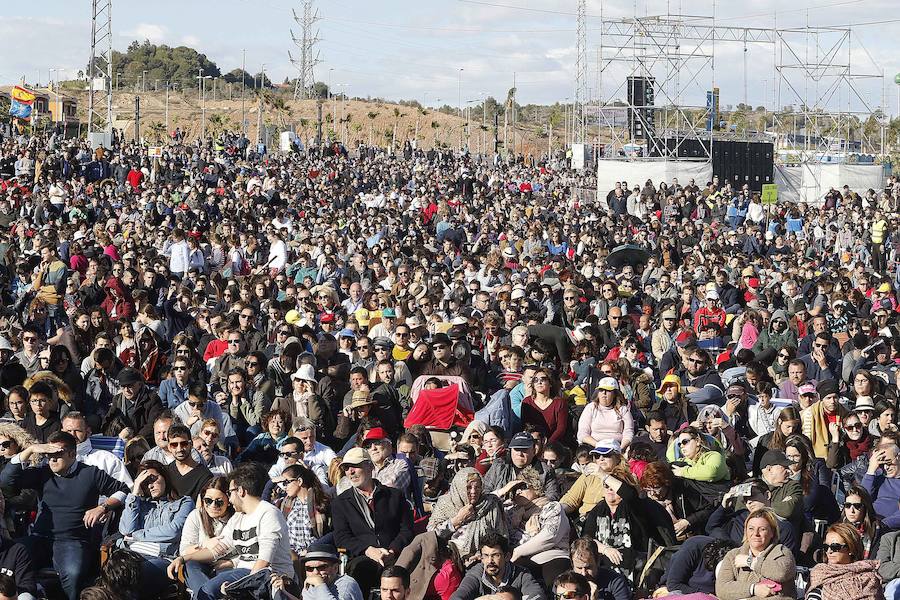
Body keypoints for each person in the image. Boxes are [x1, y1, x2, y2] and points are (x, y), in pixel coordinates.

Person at [0, 431, 130, 600]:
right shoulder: (42, 473)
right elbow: (6, 482)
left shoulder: (90, 474)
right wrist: (31, 449)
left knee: (73, 574)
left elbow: (124, 490)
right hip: (40, 537)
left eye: (57, 454)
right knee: (9, 559)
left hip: (72, 540)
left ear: (72, 454)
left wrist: (103, 507)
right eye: (48, 454)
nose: (52, 459)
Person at [188, 462, 295, 600]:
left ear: (240, 491)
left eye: (230, 492)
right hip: (242, 572)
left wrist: (240, 588)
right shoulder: (238, 517)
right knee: (193, 568)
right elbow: (220, 548)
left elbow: (263, 562)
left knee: (208, 590)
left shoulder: (268, 513)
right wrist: (184, 558)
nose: (230, 499)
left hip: (269, 576)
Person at [331, 447, 414, 597]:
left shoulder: (394, 496)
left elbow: (407, 530)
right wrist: (369, 550)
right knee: (359, 568)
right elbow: (341, 538)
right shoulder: (340, 503)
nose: (350, 472)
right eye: (346, 468)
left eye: (355, 466)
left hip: (396, 554)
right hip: (363, 557)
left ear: (369, 467)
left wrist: (392, 551)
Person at [117, 459, 194, 599]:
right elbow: (126, 530)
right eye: (145, 483)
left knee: (136, 575)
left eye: (153, 479)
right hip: (132, 555)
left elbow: (174, 531)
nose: (150, 486)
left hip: (163, 558)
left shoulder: (184, 502)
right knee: (115, 574)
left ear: (164, 476)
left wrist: (137, 535)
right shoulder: (140, 504)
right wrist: (134, 493)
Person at [167, 476, 235, 594]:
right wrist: (205, 545)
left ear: (228, 501)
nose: (213, 506)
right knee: (191, 566)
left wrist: (232, 562)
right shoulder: (196, 515)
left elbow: (247, 551)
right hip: (199, 564)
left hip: (226, 566)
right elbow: (184, 551)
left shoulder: (236, 519)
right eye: (208, 500)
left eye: (219, 502)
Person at [715, 508, 797, 600]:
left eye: (762, 529)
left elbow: (782, 573)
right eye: (751, 528)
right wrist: (753, 589)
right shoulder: (733, 555)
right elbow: (722, 589)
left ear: (772, 532)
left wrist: (750, 562)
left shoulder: (781, 552)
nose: (756, 533)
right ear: (746, 531)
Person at [427, 468, 507, 562]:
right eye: (468, 487)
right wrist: (457, 520)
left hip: (482, 560)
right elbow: (431, 536)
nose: (473, 492)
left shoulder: (490, 505)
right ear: (459, 488)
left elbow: (501, 537)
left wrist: (481, 555)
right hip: (446, 558)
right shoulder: (445, 503)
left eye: (477, 487)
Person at [449, 532, 546, 600]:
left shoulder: (521, 574)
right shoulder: (475, 574)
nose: (490, 561)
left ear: (507, 556)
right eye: (486, 556)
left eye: (496, 555)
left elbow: (538, 595)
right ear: (481, 558)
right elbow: (459, 595)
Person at [807, 523, 883, 600]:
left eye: (835, 547)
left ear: (850, 548)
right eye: (826, 547)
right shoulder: (819, 574)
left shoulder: (868, 579)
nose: (829, 551)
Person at [483, 432, 561, 501]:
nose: (520, 453)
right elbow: (484, 492)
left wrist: (532, 506)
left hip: (533, 512)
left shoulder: (545, 471)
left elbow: (553, 496)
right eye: (516, 449)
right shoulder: (499, 466)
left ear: (534, 451)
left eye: (524, 450)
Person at [270, 543, 363, 600]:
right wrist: (284, 591)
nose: (315, 573)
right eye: (309, 569)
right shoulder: (311, 585)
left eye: (322, 567)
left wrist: (320, 585)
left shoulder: (347, 584)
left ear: (335, 568)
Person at [576, 377, 634, 449]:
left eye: (608, 390)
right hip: (594, 446)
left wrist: (620, 448)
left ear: (615, 394)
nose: (604, 393)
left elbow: (628, 432)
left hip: (617, 446)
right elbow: (582, 433)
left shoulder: (623, 409)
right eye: (601, 390)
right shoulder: (590, 407)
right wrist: (598, 445)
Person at [163, 424, 212, 501]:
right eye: (174, 445)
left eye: (184, 444)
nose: (179, 449)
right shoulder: (165, 473)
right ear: (169, 447)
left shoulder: (204, 475)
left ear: (191, 444)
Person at [862, 442, 900, 526]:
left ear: (898, 457)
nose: (886, 468)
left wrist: (883, 524)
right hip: (868, 522)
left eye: (889, 462)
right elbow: (862, 499)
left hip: (889, 528)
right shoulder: (879, 477)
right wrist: (871, 470)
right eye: (882, 465)